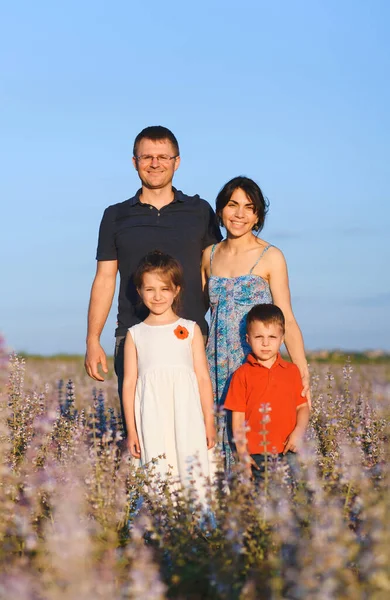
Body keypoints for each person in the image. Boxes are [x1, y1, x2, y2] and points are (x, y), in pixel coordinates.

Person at [85, 126, 222, 436]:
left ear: (177, 161)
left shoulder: (200, 212)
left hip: (190, 335)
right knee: (140, 431)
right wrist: (93, 339)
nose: (155, 163)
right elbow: (104, 279)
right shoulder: (115, 216)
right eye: (147, 157)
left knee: (195, 431)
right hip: (133, 335)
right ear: (134, 162)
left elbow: (214, 274)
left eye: (163, 157)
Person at [201, 176, 309, 469]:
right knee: (214, 442)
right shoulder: (208, 255)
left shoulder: (271, 256)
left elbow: (285, 314)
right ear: (221, 209)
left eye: (249, 207)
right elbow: (198, 315)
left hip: (256, 362)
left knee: (260, 442)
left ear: (258, 214)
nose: (239, 214)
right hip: (214, 364)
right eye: (232, 205)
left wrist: (301, 369)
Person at [122, 251, 216, 500]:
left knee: (189, 460)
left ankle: (195, 524)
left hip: (186, 412)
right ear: (140, 292)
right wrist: (131, 430)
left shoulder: (191, 328)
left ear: (176, 290)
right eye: (149, 289)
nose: (157, 296)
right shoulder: (135, 334)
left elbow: (203, 379)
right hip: (151, 414)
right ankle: (157, 521)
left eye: (164, 289)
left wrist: (209, 421)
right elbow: (129, 383)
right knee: (156, 463)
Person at [224, 304, 309, 482]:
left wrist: (299, 432)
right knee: (261, 504)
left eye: (272, 337)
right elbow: (237, 419)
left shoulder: (292, 371)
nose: (265, 343)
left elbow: (302, 407)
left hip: (289, 449)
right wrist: (242, 454)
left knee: (292, 502)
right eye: (259, 337)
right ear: (248, 339)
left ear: (282, 338)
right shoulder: (241, 375)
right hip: (256, 454)